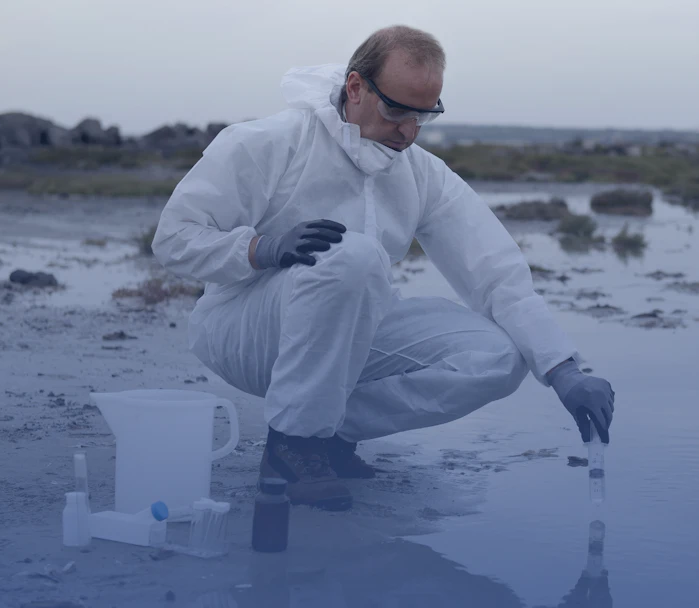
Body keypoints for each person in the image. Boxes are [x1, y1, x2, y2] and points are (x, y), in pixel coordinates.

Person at [151, 25, 615, 510]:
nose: (409, 131)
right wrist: (261, 249)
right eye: (397, 110)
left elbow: (495, 273)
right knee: (356, 255)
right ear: (356, 87)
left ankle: (326, 431)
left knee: (498, 358)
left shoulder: (422, 173)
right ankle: (292, 444)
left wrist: (564, 370)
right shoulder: (270, 142)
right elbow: (175, 238)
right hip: (243, 329)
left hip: (349, 337)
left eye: (424, 115)